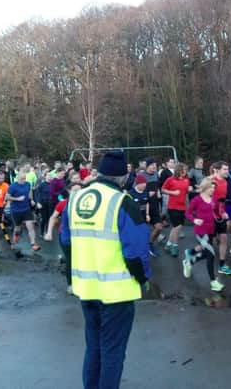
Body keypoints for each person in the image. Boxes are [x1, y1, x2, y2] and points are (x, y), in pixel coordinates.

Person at [61, 150, 150, 389]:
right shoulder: (123, 202)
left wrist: (71, 277)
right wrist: (143, 278)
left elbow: (66, 242)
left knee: (94, 348)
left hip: (85, 288)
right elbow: (137, 249)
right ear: (123, 177)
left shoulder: (76, 199)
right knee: (112, 352)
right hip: (116, 292)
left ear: (99, 172)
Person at [183, 178, 225, 292]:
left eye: (214, 188)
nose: (213, 190)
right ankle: (213, 282)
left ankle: (189, 259)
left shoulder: (214, 199)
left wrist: (222, 214)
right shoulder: (197, 200)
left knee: (206, 254)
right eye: (211, 187)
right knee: (210, 255)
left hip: (211, 230)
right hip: (201, 231)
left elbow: (216, 212)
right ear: (205, 187)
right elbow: (187, 213)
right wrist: (194, 220)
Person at [44, 182, 83, 293]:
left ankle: (64, 260)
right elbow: (53, 218)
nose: (78, 192)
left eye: (80, 190)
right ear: (69, 191)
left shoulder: (86, 204)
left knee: (80, 259)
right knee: (72, 261)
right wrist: (49, 233)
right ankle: (70, 285)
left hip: (81, 237)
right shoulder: (63, 204)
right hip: (66, 236)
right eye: (75, 190)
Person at [7, 170, 41, 251]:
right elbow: (7, 197)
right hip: (16, 210)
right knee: (17, 227)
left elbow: (30, 193)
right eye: (22, 179)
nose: (24, 180)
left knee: (30, 226)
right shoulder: (13, 186)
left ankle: (33, 244)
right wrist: (17, 198)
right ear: (17, 178)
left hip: (26, 209)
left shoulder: (27, 184)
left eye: (24, 178)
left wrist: (32, 200)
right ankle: (15, 240)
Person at [161, 163, 191, 257]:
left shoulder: (186, 180)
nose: (185, 172)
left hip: (182, 207)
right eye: (183, 170)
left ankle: (169, 244)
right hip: (173, 207)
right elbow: (163, 189)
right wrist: (172, 192)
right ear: (178, 170)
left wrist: (188, 205)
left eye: (186, 170)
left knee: (177, 227)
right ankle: (174, 246)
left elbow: (186, 194)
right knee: (177, 227)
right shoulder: (170, 179)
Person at [212, 161, 231, 275]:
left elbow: (222, 200)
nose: (227, 171)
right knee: (207, 243)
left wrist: (223, 211)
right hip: (210, 215)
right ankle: (191, 254)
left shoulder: (225, 182)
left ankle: (222, 265)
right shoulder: (211, 181)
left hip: (220, 215)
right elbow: (206, 199)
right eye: (225, 169)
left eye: (227, 169)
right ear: (217, 170)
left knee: (224, 238)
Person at [129, 174, 157, 257]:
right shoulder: (131, 193)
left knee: (144, 233)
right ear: (138, 184)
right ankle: (135, 250)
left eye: (145, 185)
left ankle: (146, 249)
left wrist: (148, 214)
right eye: (143, 185)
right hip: (135, 219)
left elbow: (147, 202)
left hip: (144, 217)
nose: (144, 187)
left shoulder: (145, 191)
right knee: (135, 235)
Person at [143, 159, 166, 250]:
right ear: (147, 166)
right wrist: (146, 194)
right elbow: (134, 191)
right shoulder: (141, 176)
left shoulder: (156, 174)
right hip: (144, 206)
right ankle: (143, 245)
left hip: (155, 205)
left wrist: (159, 191)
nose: (154, 167)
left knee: (159, 228)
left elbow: (158, 185)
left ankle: (150, 243)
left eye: (155, 165)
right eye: (152, 165)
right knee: (143, 230)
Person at [35, 171, 52, 236]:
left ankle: (48, 232)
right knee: (44, 218)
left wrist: (60, 199)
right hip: (43, 204)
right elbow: (36, 194)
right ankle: (42, 232)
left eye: (50, 175)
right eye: (48, 175)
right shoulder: (42, 185)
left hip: (50, 204)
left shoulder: (53, 184)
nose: (50, 177)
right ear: (45, 177)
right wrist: (37, 202)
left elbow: (57, 194)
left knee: (50, 218)